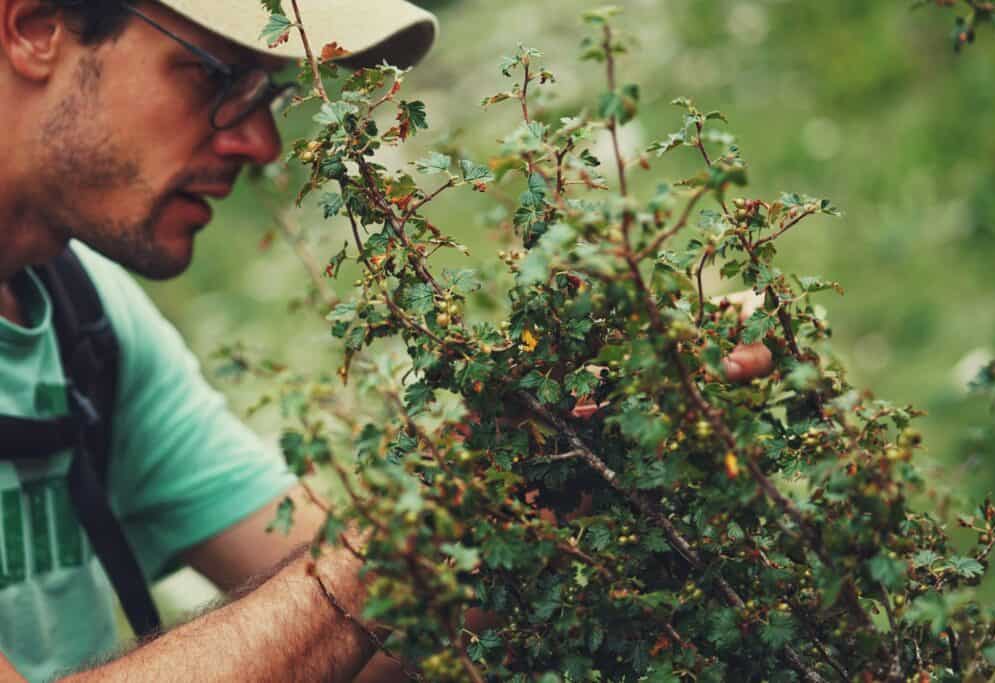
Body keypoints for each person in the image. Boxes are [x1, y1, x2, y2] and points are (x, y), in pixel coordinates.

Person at [0, 1, 772, 681]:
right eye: (218, 77)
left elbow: (359, 634)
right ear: (35, 28)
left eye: (268, 95)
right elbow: (353, 588)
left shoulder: (85, 317)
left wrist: (577, 449)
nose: (263, 143)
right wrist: (418, 520)